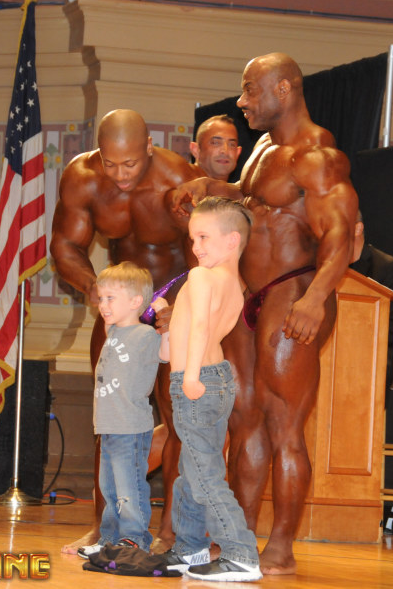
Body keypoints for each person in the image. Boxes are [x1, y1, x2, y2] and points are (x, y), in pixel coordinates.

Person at [172, 52, 359, 575]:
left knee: (283, 424)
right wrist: (210, 188)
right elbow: (250, 200)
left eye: (250, 89)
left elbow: (340, 233)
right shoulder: (262, 148)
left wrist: (315, 298)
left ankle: (281, 545)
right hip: (250, 295)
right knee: (244, 417)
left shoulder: (317, 155)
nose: (242, 101)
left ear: (283, 89)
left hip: (291, 291)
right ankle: (239, 537)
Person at [50, 109, 205, 553]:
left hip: (172, 303)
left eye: (130, 164)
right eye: (111, 163)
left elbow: (203, 251)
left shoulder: (178, 178)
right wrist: (95, 289)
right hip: (119, 310)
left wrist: (182, 307)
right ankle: (104, 530)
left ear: (150, 148)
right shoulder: (82, 177)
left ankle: (171, 531)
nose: (120, 175)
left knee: (177, 421)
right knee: (109, 417)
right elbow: (65, 244)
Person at [157, 196, 261, 582]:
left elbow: (201, 327)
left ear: (232, 240)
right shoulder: (234, 284)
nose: (196, 246)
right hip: (216, 380)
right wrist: (167, 328)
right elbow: (185, 334)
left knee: (203, 474)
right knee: (192, 468)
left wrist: (189, 377)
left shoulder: (201, 277)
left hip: (198, 381)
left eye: (203, 237)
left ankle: (240, 553)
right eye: (192, 238)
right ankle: (189, 548)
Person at [79, 262, 161, 559]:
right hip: (108, 426)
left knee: (129, 488)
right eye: (101, 298)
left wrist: (163, 315)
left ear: (136, 301)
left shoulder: (146, 335)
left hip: (130, 426)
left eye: (111, 298)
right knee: (109, 489)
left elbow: (167, 354)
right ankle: (109, 539)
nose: (103, 305)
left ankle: (134, 538)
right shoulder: (113, 331)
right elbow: (108, 319)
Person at [349, 210, 393, 394]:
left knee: (362, 364)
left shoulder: (388, 267)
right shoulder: (327, 270)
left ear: (357, 229)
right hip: (338, 350)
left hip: (378, 351)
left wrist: (352, 336)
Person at [190, 115, 242, 182]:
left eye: (232, 145)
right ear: (196, 150)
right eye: (215, 143)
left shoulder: (242, 188)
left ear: (237, 153)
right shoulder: (180, 182)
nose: (225, 151)